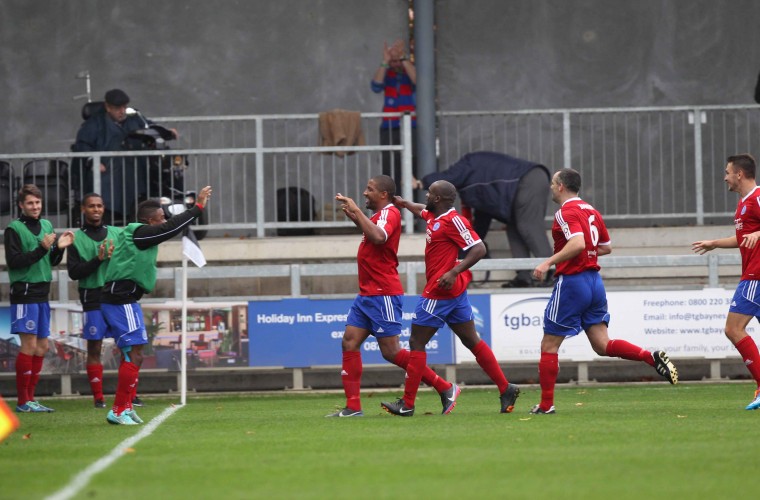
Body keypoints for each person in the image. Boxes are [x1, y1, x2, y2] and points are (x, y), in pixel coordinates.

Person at [530, 168, 678, 415]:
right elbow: (606, 247)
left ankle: (546, 405)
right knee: (602, 344)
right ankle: (649, 357)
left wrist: (548, 261)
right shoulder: (591, 211)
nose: (550, 188)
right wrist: (586, 252)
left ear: (561, 187)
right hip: (594, 282)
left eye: (553, 183)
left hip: (573, 282)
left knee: (549, 345)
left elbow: (577, 243)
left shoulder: (564, 213)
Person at [381, 180, 520, 416]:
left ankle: (408, 403)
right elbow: (420, 210)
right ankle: (506, 387)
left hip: (439, 292)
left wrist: (454, 271)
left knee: (416, 343)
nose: (426, 195)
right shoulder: (436, 217)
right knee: (471, 340)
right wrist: (404, 204)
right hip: (453, 294)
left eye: (430, 192)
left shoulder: (454, 221)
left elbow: (479, 248)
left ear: (437, 199)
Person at [327, 175, 459, 417]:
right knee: (349, 341)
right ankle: (353, 407)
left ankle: (445, 387)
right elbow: (374, 237)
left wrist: (357, 209)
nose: (365, 193)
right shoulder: (378, 216)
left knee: (391, 351)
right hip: (367, 293)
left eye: (370, 189)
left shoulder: (390, 213)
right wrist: (357, 218)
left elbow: (379, 237)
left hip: (383, 293)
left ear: (383, 195)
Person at [100, 185, 211, 425]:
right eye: (161, 218)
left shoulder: (140, 235)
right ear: (149, 220)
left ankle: (126, 407)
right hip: (120, 300)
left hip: (125, 300)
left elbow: (168, 228)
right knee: (134, 353)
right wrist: (197, 208)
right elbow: (169, 228)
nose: (164, 221)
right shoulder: (139, 232)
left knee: (136, 354)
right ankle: (118, 411)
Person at [422, 151, 554, 287]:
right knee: (514, 226)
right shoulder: (479, 186)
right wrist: (471, 243)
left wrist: (421, 182)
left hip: (528, 180)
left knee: (528, 226)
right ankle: (523, 277)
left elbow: (448, 178)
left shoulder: (466, 166)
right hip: (527, 180)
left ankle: (552, 273)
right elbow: (482, 218)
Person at [692, 153, 760, 410]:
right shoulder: (744, 203)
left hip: (756, 276)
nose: (725, 178)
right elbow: (743, 238)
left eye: (727, 172)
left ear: (739, 174)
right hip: (753, 274)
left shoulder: (757, 198)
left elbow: (754, 234)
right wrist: (714, 244)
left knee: (733, 329)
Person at [5, 184, 75, 413]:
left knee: (42, 346)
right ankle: (23, 401)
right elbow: (14, 262)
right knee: (29, 345)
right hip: (24, 293)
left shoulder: (46, 225)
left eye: (37, 203)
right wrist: (43, 248)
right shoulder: (13, 229)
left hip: (42, 293)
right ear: (21, 205)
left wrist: (60, 248)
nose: (35, 207)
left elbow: (51, 260)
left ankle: (31, 399)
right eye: (30, 203)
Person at [72, 88, 177, 222]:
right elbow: (82, 145)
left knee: (138, 198)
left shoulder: (135, 118)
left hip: (133, 171)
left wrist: (166, 132)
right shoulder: (94, 123)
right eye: (117, 108)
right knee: (107, 197)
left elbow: (149, 128)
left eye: (124, 107)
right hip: (108, 173)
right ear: (108, 107)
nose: (122, 111)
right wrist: (93, 161)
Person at [66, 193, 120, 408]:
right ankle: (98, 398)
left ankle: (129, 395)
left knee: (127, 346)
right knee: (95, 348)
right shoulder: (75, 238)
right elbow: (74, 272)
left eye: (99, 205)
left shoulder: (117, 234)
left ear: (104, 208)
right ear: (83, 209)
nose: (96, 209)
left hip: (117, 296)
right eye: (91, 206)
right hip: (93, 298)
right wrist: (97, 260)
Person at [371, 39, 418, 196]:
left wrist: (403, 59)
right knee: (389, 167)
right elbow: (376, 86)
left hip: (411, 126)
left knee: (412, 165)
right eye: (394, 61)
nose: (396, 64)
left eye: (399, 60)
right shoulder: (387, 73)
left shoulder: (408, 72)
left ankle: (414, 210)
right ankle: (393, 207)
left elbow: (418, 81)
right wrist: (385, 62)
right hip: (389, 126)